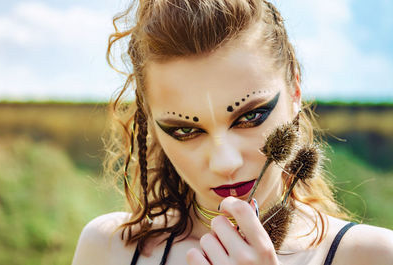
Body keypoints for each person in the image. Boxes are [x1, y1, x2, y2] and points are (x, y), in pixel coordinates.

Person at [72, 0, 393, 264]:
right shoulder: (108, 250)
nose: (225, 163)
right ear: (150, 123)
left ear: (295, 88)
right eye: (185, 130)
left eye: (250, 116)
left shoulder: (373, 256)